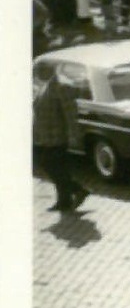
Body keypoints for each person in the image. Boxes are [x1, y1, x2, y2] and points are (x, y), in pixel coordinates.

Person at [34, 69, 89, 212]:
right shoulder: (45, 85)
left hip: (56, 136)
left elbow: (70, 113)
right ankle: (64, 201)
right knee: (56, 167)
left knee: (52, 166)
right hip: (44, 135)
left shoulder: (62, 86)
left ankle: (77, 190)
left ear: (50, 69)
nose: (36, 72)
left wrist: (74, 135)